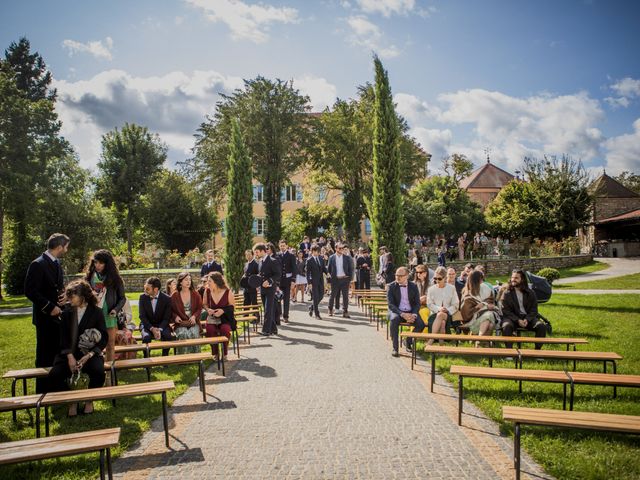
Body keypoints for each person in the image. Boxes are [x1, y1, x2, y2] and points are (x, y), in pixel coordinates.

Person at [48, 280, 107, 415]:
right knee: (54, 375)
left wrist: (90, 355)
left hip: (90, 353)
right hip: (69, 353)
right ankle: (72, 400)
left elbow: (103, 337)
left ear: (83, 296)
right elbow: (62, 337)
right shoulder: (66, 312)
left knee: (98, 372)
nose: (69, 299)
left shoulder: (97, 312)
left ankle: (89, 400)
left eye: (72, 296)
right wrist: (69, 356)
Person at [25, 233, 70, 393]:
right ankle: (43, 390)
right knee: (45, 355)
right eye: (65, 247)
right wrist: (50, 307)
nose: (66, 250)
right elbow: (30, 291)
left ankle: (58, 387)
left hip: (59, 317)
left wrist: (65, 297)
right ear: (59, 247)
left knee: (59, 353)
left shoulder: (56, 263)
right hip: (44, 319)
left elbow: (57, 287)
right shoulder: (38, 264)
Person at [84, 249, 125, 362]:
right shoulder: (89, 278)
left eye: (101, 263)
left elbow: (122, 298)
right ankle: (97, 370)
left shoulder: (115, 279)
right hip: (93, 315)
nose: (97, 265)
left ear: (107, 264)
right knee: (93, 345)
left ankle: (109, 375)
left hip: (109, 316)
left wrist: (115, 310)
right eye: (95, 262)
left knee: (110, 345)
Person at [500, 269, 545, 348]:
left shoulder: (530, 293)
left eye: (516, 278)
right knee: (506, 326)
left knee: (541, 326)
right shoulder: (507, 293)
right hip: (512, 318)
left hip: (527, 319)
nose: (513, 280)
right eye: (512, 277)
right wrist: (517, 320)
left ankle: (538, 352)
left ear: (522, 279)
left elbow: (534, 310)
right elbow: (506, 311)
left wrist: (527, 319)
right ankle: (509, 352)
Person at [387, 267, 423, 357]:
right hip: (397, 311)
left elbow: (417, 303)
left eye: (400, 275)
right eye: (396, 275)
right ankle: (395, 348)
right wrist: (402, 314)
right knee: (394, 320)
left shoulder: (413, 286)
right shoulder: (391, 286)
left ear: (406, 276)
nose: (397, 277)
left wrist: (414, 314)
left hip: (410, 311)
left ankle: (408, 340)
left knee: (421, 325)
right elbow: (391, 304)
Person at [203, 272, 235, 357]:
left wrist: (223, 310)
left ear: (216, 282)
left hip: (225, 318)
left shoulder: (227, 292)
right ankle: (215, 353)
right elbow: (204, 304)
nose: (207, 283)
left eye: (210, 281)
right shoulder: (207, 291)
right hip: (212, 318)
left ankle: (225, 353)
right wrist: (208, 309)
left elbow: (232, 307)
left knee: (225, 329)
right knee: (210, 330)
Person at [139, 276, 173, 356]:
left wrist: (159, 329)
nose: (145, 290)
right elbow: (142, 316)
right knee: (146, 337)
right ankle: (146, 359)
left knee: (168, 336)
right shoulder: (142, 297)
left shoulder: (167, 299)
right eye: (145, 288)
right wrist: (152, 328)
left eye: (147, 289)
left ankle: (164, 358)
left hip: (161, 325)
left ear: (156, 289)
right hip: (147, 325)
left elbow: (166, 318)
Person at [426, 266, 460, 345]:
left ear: (445, 278)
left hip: (449, 314)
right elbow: (429, 304)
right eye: (435, 278)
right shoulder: (431, 289)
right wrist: (439, 308)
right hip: (434, 314)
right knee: (442, 323)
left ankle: (431, 339)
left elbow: (456, 304)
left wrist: (447, 310)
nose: (437, 280)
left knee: (441, 315)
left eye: (439, 279)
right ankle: (441, 344)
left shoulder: (452, 288)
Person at [170, 272, 203, 354]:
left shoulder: (195, 294)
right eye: (186, 280)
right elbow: (170, 310)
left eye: (189, 280)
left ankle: (196, 357)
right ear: (180, 282)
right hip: (180, 323)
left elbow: (199, 308)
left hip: (193, 322)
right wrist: (175, 317)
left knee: (194, 333)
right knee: (182, 334)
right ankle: (183, 359)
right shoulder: (175, 295)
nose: (188, 282)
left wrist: (194, 316)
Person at [459, 271, 496, 339]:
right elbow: (466, 314)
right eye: (481, 279)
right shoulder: (467, 293)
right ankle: (481, 341)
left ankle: (479, 341)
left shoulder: (485, 288)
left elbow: (490, 300)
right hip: (471, 321)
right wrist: (479, 307)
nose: (482, 281)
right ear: (476, 281)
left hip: (483, 318)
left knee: (489, 322)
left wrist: (483, 305)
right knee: (489, 317)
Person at [254, 243, 280, 336]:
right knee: (266, 309)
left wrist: (269, 281)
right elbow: (261, 274)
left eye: (257, 252)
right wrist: (257, 283)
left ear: (262, 251)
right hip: (262, 289)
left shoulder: (273, 260)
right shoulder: (260, 261)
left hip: (270, 289)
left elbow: (277, 274)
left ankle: (266, 330)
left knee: (268, 310)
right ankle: (274, 329)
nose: (256, 254)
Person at [327, 243, 353, 318]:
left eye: (342, 248)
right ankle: (330, 309)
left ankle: (345, 311)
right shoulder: (331, 257)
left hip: (345, 279)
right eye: (340, 248)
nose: (341, 249)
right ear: (336, 248)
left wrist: (350, 279)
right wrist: (329, 280)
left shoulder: (346, 258)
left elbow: (350, 269)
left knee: (345, 296)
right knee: (332, 295)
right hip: (335, 279)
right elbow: (328, 270)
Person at [276, 240, 297, 322]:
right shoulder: (277, 255)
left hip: (288, 280)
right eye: (281, 246)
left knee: (286, 299)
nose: (282, 247)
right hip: (278, 281)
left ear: (287, 246)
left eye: (284, 245)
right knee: (277, 298)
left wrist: (293, 280)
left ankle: (286, 316)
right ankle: (279, 314)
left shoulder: (291, 255)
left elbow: (294, 268)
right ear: (279, 246)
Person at [306, 245, 326, 319]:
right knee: (315, 297)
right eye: (316, 251)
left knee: (321, 296)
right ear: (313, 251)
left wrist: (327, 273)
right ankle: (317, 314)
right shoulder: (309, 260)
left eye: (318, 251)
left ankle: (311, 307)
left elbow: (323, 268)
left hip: (321, 280)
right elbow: (307, 273)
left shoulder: (321, 258)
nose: (317, 253)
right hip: (313, 281)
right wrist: (309, 283)